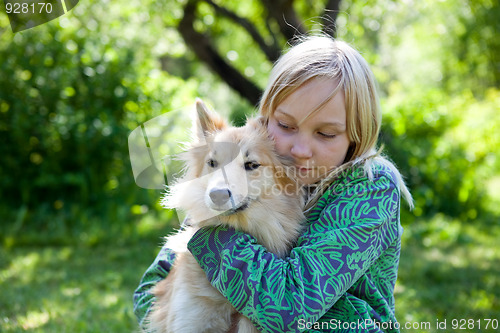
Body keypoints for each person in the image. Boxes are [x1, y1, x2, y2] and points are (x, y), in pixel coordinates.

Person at [133, 35, 413, 332]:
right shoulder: (241, 174)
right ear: (266, 119)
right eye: (286, 126)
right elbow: (148, 292)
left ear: (358, 134)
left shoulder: (369, 188)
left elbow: (290, 307)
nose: (300, 150)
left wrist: (210, 226)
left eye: (326, 134)